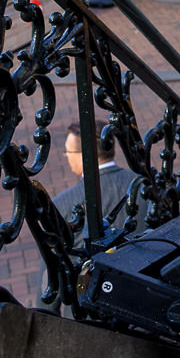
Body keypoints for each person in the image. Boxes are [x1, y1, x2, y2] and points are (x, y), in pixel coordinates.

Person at [36, 129, 140, 310]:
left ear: (83, 155)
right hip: (142, 298)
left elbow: (50, 274)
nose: (67, 158)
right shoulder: (141, 184)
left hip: (89, 310)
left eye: (68, 152)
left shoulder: (61, 205)